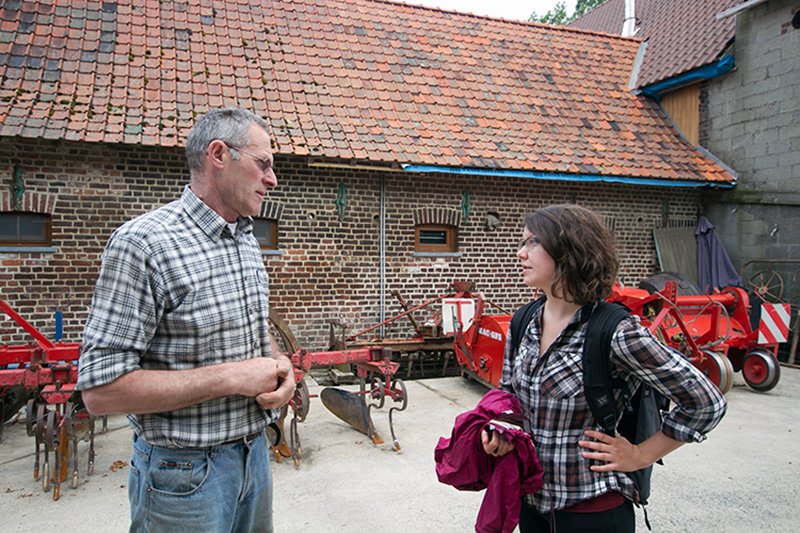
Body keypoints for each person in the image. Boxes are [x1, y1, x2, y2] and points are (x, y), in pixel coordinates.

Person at [76, 107, 294, 533]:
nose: (272, 179)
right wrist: (232, 378)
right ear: (218, 154)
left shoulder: (245, 238)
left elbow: (252, 331)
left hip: (255, 457)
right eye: (263, 163)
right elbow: (100, 392)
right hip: (184, 475)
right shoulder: (144, 244)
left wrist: (279, 367)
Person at [482, 204, 727, 532]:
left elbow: (705, 402)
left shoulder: (614, 331)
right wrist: (500, 429)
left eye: (532, 242)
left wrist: (641, 454)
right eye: (522, 242)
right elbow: (508, 394)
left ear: (569, 250)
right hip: (531, 504)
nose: (520, 253)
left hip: (592, 511)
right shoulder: (523, 321)